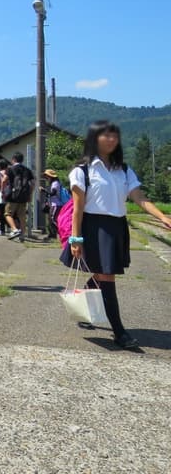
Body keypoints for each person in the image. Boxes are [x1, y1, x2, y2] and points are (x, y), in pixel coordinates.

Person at [63, 120, 171, 349]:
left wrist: (161, 216)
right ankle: (119, 332)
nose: (112, 139)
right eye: (106, 135)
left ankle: (88, 297)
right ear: (94, 139)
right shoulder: (81, 170)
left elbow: (138, 197)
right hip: (93, 228)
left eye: (115, 136)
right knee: (108, 276)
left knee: (105, 273)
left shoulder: (123, 169)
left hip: (116, 227)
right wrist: (76, 238)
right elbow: (78, 208)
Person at [3, 152, 34, 239]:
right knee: (22, 216)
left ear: (14, 159)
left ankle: (14, 229)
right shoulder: (27, 170)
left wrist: (3, 190)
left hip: (13, 195)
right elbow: (32, 184)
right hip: (23, 196)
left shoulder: (10, 169)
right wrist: (30, 194)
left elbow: (4, 180)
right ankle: (23, 235)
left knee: (7, 214)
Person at [43, 169, 63, 239]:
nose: (46, 178)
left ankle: (61, 233)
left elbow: (53, 193)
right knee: (51, 219)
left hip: (56, 204)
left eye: (47, 176)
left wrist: (44, 191)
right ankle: (52, 234)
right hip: (54, 204)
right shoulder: (55, 183)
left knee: (53, 219)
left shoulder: (55, 183)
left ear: (50, 176)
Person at [0, 160, 10, 234]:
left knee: (1, 212)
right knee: (9, 211)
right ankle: (10, 228)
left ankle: (2, 230)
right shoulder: (9, 172)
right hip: (10, 193)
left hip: (1, 193)